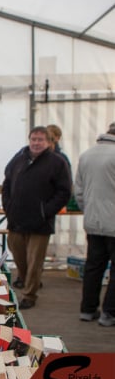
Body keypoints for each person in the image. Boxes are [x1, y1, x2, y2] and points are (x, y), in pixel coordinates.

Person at [2, 126, 71, 309]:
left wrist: (46, 211)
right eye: (33, 139)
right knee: (19, 258)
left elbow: (64, 192)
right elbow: (7, 183)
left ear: (49, 142)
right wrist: (8, 206)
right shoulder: (19, 159)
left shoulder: (57, 163)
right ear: (29, 140)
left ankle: (29, 295)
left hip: (40, 222)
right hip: (16, 219)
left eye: (40, 140)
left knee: (34, 261)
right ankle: (27, 283)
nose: (36, 143)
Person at [74, 122, 115, 327]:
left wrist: (88, 209)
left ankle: (87, 310)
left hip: (92, 221)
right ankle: (109, 313)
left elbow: (78, 191)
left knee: (93, 267)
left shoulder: (87, 155)